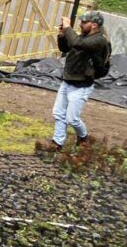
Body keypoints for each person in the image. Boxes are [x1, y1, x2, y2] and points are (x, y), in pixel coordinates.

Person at [48, 11, 112, 150]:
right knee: (59, 113)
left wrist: (68, 28)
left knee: (72, 119)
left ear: (94, 25)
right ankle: (57, 143)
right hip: (68, 80)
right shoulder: (84, 37)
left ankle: (83, 137)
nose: (80, 24)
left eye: (84, 22)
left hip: (82, 85)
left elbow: (77, 43)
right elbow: (65, 47)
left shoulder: (99, 40)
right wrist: (62, 35)